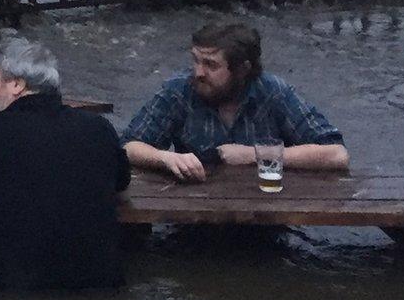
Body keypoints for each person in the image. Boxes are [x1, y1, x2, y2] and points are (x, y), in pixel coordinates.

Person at [0, 38, 130, 290]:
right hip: (100, 286)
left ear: (17, 84)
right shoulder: (99, 128)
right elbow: (122, 185)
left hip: (14, 289)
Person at [121, 22, 349, 182]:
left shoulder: (272, 92)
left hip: (266, 213)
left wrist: (254, 155)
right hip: (195, 214)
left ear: (242, 70)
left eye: (211, 65)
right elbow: (128, 146)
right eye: (196, 61)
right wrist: (165, 157)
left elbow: (336, 154)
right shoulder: (179, 90)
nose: (199, 72)